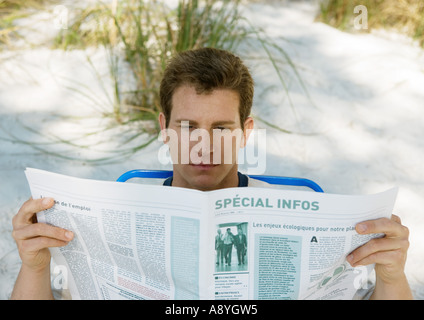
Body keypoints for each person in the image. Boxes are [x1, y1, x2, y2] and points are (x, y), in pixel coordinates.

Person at [11, 47, 413, 300]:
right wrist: (34, 267)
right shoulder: (116, 210)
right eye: (188, 127)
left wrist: (392, 277)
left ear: (245, 133)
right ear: (165, 129)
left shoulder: (300, 214)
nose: (204, 145)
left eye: (221, 129)